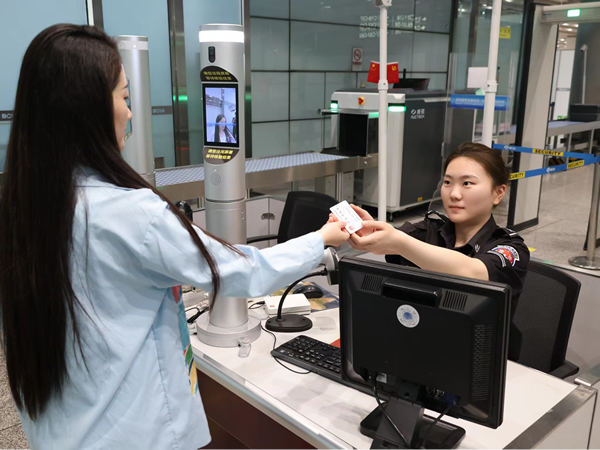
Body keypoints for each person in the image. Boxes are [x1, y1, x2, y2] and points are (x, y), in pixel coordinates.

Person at [0, 24, 349, 449]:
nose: (131, 113)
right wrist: (323, 238)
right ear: (87, 109)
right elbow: (242, 270)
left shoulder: (24, 210)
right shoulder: (131, 213)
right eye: (124, 97)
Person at [331, 142, 529, 359]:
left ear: (498, 193)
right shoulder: (429, 230)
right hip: (419, 346)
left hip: (479, 358)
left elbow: (473, 272)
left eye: (467, 183)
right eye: (447, 182)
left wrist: (400, 243)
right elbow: (392, 240)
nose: (454, 194)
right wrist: (370, 232)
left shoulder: (510, 247)